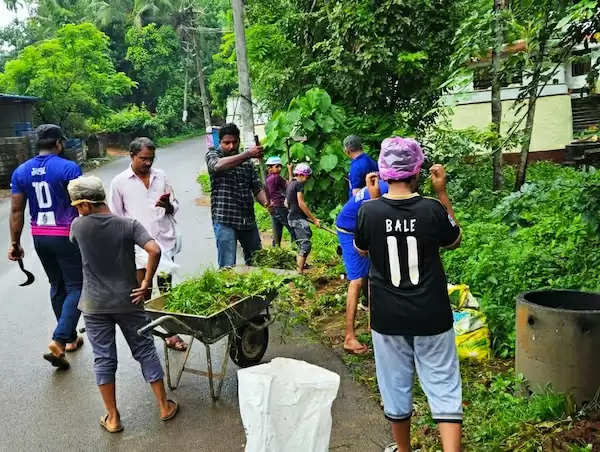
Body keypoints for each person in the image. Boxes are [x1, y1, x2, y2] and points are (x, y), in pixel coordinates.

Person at [354, 137, 463, 452]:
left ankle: (403, 450)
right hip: (432, 313)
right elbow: (454, 239)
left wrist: (373, 199)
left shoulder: (369, 211)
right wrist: (442, 192)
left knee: (395, 385)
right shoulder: (431, 209)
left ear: (384, 174)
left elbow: (362, 248)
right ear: (417, 173)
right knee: (443, 384)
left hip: (387, 316)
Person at [68, 175, 178, 433]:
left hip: (94, 305)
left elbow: (76, 245)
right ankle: (164, 406)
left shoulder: (78, 227)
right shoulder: (128, 224)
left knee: (103, 359)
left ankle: (113, 418)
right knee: (145, 350)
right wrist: (146, 282)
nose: (76, 211)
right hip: (130, 300)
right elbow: (155, 250)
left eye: (76, 206)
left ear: (84, 205)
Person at [8, 124, 84, 370]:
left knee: (57, 284)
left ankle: (69, 339)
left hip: (40, 237)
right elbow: (83, 204)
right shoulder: (69, 168)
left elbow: (17, 211)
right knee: (77, 287)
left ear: (37, 144)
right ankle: (60, 340)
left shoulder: (20, 172)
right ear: (59, 143)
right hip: (67, 235)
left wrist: (15, 243)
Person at [109, 137, 186, 352]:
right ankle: (145, 334)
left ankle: (170, 333)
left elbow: (175, 205)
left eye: (151, 159)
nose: (148, 163)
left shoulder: (161, 176)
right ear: (132, 156)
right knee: (143, 289)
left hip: (165, 242)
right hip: (138, 247)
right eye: (143, 158)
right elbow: (115, 216)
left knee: (167, 289)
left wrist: (167, 205)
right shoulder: (119, 182)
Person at [336, 172, 388, 354]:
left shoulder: (386, 186)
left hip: (361, 226)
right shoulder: (387, 190)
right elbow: (373, 222)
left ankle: (372, 326)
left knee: (372, 275)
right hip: (349, 230)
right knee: (357, 280)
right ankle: (349, 337)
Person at [205, 123, 269, 268]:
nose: (231, 146)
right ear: (220, 142)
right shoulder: (213, 155)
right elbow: (217, 166)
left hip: (247, 219)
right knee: (227, 266)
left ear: (239, 141)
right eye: (226, 143)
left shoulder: (247, 164)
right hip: (225, 219)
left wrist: (266, 203)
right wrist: (248, 154)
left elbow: (257, 188)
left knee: (257, 261)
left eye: (234, 142)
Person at [286, 163, 320, 274]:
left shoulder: (291, 183)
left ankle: (299, 269)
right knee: (305, 245)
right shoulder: (299, 185)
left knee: (301, 243)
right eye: (307, 176)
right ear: (301, 175)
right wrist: (314, 219)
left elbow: (287, 202)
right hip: (298, 219)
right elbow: (301, 203)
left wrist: (289, 170)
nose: (307, 179)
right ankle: (299, 272)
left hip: (291, 218)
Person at [264, 156, 296, 247]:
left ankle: (276, 250)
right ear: (269, 168)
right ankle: (295, 250)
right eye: (277, 166)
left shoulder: (268, 178)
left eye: (280, 166)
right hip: (280, 206)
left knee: (277, 231)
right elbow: (290, 187)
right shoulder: (276, 177)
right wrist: (290, 171)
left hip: (273, 208)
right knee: (293, 229)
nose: (280, 168)